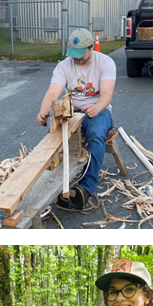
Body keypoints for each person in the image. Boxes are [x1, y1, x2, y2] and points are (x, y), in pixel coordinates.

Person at [35, 28, 117, 212]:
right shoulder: (64, 65)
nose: (77, 58)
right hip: (72, 110)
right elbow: (53, 92)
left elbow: (107, 94)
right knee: (54, 137)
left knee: (96, 134)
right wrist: (43, 112)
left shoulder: (105, 63)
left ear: (91, 48)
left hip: (98, 110)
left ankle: (85, 188)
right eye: (74, 54)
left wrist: (96, 107)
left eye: (81, 54)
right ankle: (57, 186)